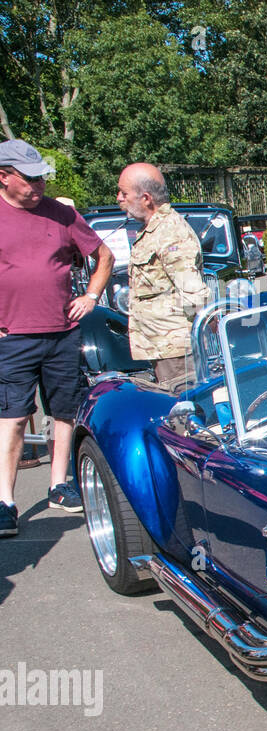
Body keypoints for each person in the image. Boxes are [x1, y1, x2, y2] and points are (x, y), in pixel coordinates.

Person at [1, 139, 113, 533]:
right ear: (3, 177)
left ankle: (59, 484)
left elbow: (104, 256)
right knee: (13, 417)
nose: (38, 186)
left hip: (62, 333)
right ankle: (5, 500)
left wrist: (91, 296)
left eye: (42, 178)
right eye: (29, 179)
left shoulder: (62, 214)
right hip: (11, 335)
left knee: (63, 412)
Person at [116, 162, 210, 391]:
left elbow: (192, 289)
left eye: (124, 193)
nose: (119, 198)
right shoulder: (153, 229)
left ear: (146, 198)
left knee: (182, 413)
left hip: (176, 350)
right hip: (161, 346)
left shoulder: (170, 232)